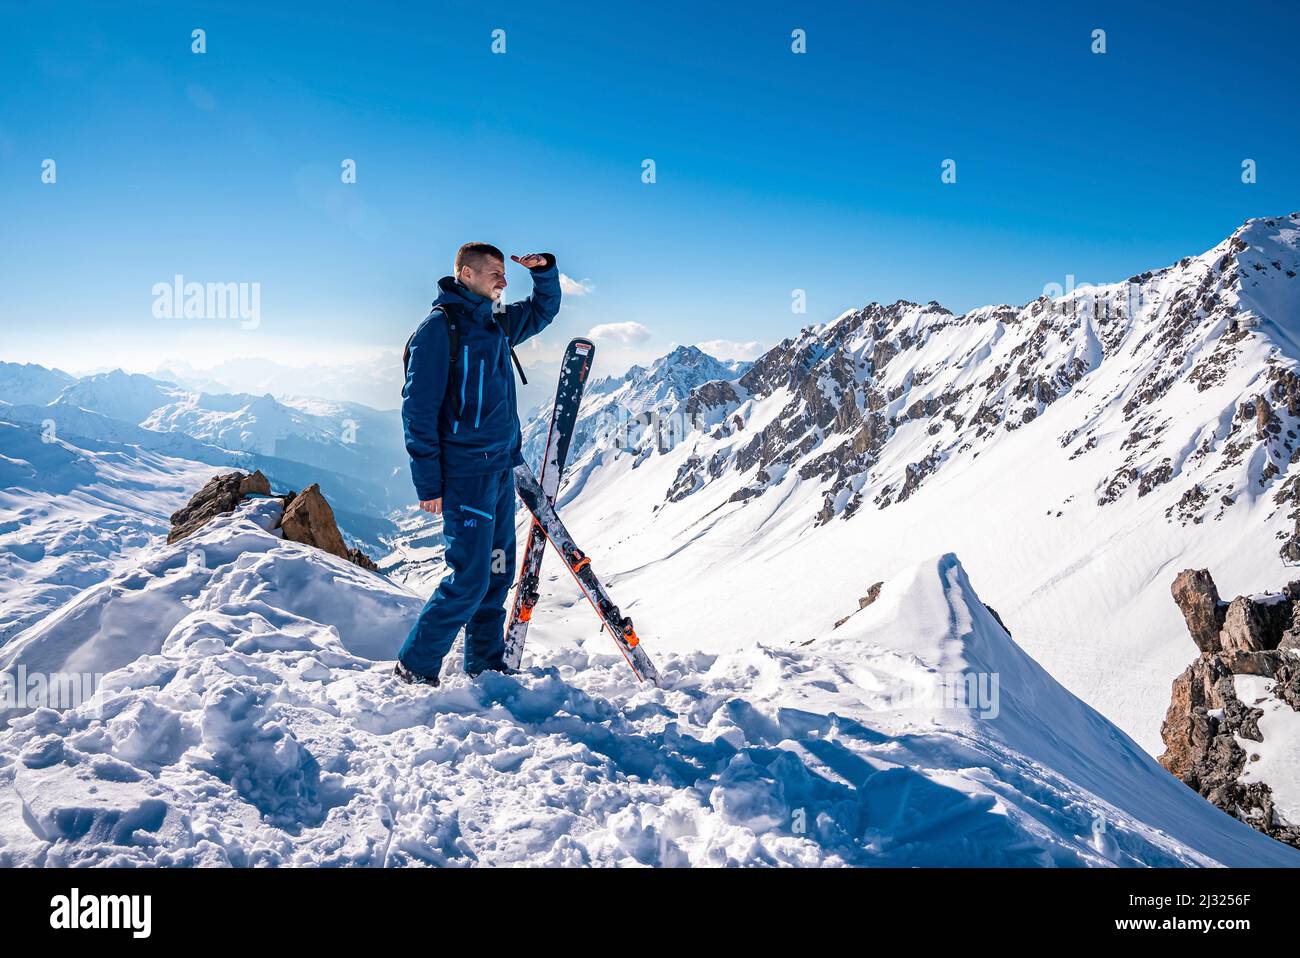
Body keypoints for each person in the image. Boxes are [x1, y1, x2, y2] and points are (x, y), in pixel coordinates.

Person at [396, 243, 561, 685]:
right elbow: (418, 410)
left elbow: (544, 311)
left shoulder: (497, 323)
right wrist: (428, 483)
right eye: (495, 274)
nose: (503, 281)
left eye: (504, 275)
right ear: (466, 274)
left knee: (496, 574)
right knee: (468, 579)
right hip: (465, 476)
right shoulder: (438, 330)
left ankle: (485, 667)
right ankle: (414, 667)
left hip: (499, 469)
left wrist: (544, 273)